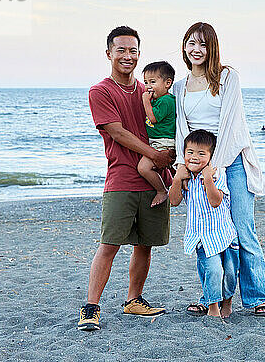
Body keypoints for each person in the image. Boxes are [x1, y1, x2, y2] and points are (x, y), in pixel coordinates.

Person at [172, 22, 265, 316]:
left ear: (212, 48)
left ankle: (257, 297)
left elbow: (232, 126)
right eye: (191, 43)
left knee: (242, 231)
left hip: (232, 163)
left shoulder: (228, 78)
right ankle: (210, 298)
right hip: (198, 166)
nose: (196, 50)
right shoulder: (180, 87)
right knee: (206, 233)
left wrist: (215, 167)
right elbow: (182, 131)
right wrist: (185, 165)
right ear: (184, 47)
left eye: (203, 44)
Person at [78, 26, 174, 331]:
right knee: (109, 244)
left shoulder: (149, 90)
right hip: (121, 177)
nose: (127, 56)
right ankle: (91, 308)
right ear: (109, 54)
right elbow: (117, 132)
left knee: (144, 245)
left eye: (133, 51)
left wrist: (174, 161)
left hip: (155, 177)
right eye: (121, 50)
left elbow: (172, 120)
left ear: (139, 54)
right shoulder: (101, 91)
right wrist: (155, 155)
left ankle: (134, 300)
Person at [169, 130, 239, 318]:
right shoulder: (184, 178)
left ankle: (227, 302)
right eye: (190, 152)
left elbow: (215, 201)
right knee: (212, 271)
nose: (194, 157)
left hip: (225, 234)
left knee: (230, 273)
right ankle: (213, 307)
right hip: (202, 237)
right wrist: (176, 178)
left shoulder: (218, 174)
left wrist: (207, 179)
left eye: (201, 153)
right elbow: (174, 201)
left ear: (210, 156)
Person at [138, 61, 176, 207]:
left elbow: (153, 118)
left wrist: (146, 102)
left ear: (167, 83)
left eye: (153, 82)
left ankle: (161, 191)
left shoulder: (166, 100)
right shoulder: (159, 100)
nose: (148, 86)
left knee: (143, 168)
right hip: (157, 141)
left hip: (163, 142)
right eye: (146, 82)